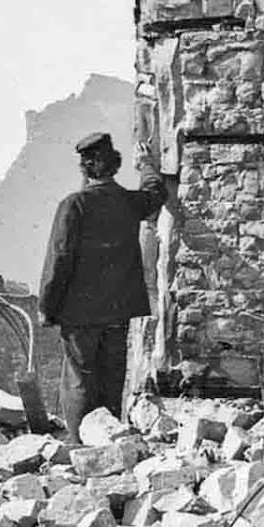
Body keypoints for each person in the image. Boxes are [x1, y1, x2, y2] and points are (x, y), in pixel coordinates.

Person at [38, 130, 168, 436]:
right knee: (112, 378)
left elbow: (59, 259)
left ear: (84, 168)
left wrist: (46, 306)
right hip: (118, 311)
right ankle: (109, 440)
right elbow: (155, 193)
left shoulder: (74, 205)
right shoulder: (128, 202)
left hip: (79, 315)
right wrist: (147, 164)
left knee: (80, 380)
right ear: (115, 165)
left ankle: (78, 445)